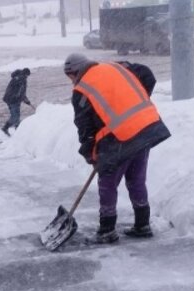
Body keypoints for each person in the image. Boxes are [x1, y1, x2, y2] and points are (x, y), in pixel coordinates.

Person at [63, 53, 170, 243]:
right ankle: (143, 224)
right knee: (136, 180)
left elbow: (85, 127)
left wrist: (90, 153)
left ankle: (107, 230)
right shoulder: (116, 67)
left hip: (121, 136)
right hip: (146, 126)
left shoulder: (82, 89)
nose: (71, 81)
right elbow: (147, 75)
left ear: (75, 71)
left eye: (70, 76)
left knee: (107, 183)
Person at [1, 68, 32, 136]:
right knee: (15, 116)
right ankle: (8, 128)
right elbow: (19, 92)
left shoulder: (20, 79)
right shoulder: (19, 79)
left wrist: (27, 101)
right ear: (25, 74)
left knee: (16, 115)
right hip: (12, 100)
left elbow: (22, 93)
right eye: (26, 75)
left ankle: (15, 129)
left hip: (14, 100)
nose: (26, 77)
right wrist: (22, 99)